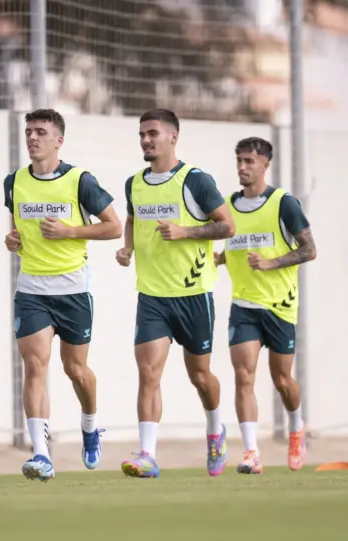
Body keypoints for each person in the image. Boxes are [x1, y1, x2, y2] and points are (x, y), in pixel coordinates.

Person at [3, 108, 122, 482]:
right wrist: (13, 240)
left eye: (41, 132)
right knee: (35, 365)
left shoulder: (80, 181)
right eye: (29, 131)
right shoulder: (13, 182)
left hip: (73, 289)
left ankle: (90, 425)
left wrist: (70, 232)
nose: (32, 137)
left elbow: (114, 227)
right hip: (32, 289)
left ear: (59, 140)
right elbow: (18, 228)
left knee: (75, 370)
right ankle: (42, 453)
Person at [117, 108, 236, 479]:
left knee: (200, 376)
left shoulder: (195, 181)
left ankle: (215, 430)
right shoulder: (134, 183)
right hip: (152, 296)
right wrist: (127, 247)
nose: (146, 140)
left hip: (193, 295)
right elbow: (133, 218)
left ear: (173, 136)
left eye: (153, 133)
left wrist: (185, 232)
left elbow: (227, 226)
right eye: (142, 134)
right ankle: (147, 455)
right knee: (148, 372)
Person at [213, 137, 316, 474]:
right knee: (244, 375)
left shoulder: (284, 203)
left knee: (282, 380)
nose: (242, 167)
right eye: (239, 161)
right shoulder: (228, 205)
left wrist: (271, 264)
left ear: (265, 165)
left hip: (280, 306)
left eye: (249, 161)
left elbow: (309, 250)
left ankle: (296, 427)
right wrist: (220, 259)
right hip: (244, 305)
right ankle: (251, 453)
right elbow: (239, 244)